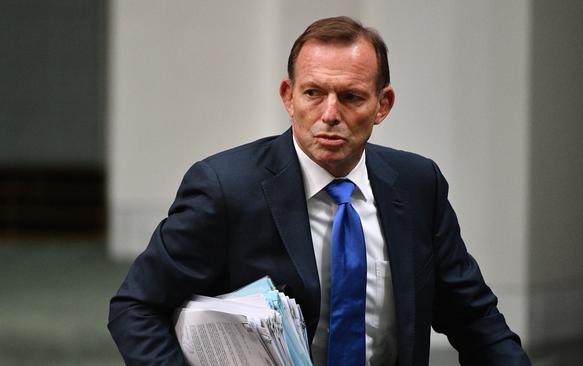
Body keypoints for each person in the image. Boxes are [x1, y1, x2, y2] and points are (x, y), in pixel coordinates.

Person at [108, 16, 531, 365]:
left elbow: (475, 320)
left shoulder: (419, 185)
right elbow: (136, 308)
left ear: (382, 105)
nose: (330, 114)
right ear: (288, 97)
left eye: (350, 97)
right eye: (313, 93)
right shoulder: (225, 189)